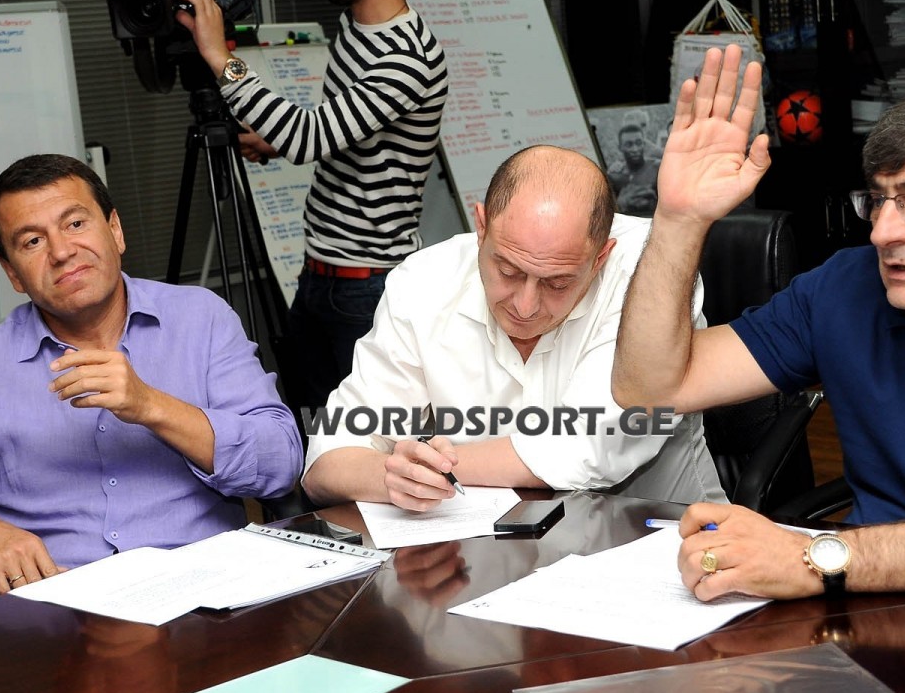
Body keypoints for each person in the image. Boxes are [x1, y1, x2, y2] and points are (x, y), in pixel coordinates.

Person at [612, 43, 905, 601]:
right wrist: (679, 219)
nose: (882, 232)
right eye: (878, 200)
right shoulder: (845, 287)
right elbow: (649, 390)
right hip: (863, 611)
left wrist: (819, 559)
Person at [0, 155, 303, 592]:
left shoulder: (201, 319)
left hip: (210, 590)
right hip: (59, 604)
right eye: (32, 241)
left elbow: (280, 462)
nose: (61, 252)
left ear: (115, 230)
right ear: (12, 272)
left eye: (75, 224)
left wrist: (151, 405)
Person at [302, 144, 724, 510]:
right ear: (481, 227)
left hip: (662, 534)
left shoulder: (652, 276)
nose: (525, 305)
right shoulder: (424, 281)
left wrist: (441, 467)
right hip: (489, 553)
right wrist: (395, 477)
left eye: (557, 283)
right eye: (507, 271)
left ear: (601, 258)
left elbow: (592, 444)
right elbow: (330, 456)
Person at [174, 0, 449, 415]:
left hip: (369, 291)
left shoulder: (410, 58)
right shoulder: (355, 28)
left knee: (374, 442)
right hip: (319, 273)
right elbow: (346, 133)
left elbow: (308, 137)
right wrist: (274, 141)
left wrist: (218, 57)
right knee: (310, 426)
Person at [606, 123, 659, 216]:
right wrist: (622, 202)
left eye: (638, 143)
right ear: (620, 147)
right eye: (628, 144)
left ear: (644, 144)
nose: (635, 149)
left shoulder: (657, 168)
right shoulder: (614, 176)